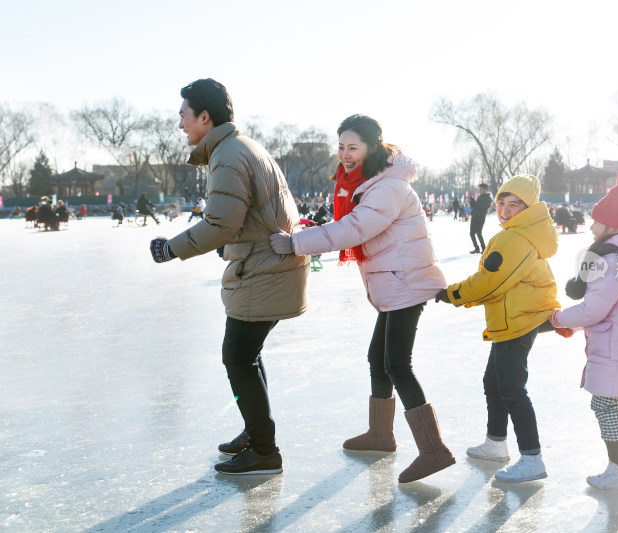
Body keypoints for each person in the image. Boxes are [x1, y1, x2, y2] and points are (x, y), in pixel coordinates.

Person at [270, 114, 455, 484]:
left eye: (353, 147)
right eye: (340, 147)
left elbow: (355, 228)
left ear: (373, 147)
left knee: (397, 363)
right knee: (378, 358)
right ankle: (380, 434)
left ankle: (434, 450)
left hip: (407, 282)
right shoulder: (369, 183)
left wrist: (297, 244)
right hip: (394, 282)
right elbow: (350, 224)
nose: (345, 155)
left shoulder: (389, 188)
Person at [149, 78, 309, 475]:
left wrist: (171, 248)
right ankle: (257, 434)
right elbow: (249, 217)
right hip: (265, 264)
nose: (180, 124)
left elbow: (221, 221)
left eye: (184, 115)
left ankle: (265, 451)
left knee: (237, 357)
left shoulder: (227, 154)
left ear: (205, 116)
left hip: (262, 269)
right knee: (245, 356)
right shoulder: (241, 147)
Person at [435, 174, 561, 483]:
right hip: (513, 318)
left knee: (512, 389)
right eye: (501, 203)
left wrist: (452, 294)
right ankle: (495, 443)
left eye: (513, 204)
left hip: (517, 321)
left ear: (527, 207)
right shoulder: (520, 232)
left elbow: (491, 281)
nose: (504, 210)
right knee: (494, 382)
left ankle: (532, 457)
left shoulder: (515, 238)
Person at [551, 173, 618, 491]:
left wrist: (558, 318)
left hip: (617, 344)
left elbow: (593, 309)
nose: (590, 226)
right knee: (616, 400)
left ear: (611, 225)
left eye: (596, 220)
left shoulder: (610, 259)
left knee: (604, 403)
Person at [469, 183, 493, 253]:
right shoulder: (479, 197)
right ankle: (477, 248)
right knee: (472, 233)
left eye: (481, 189)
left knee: (479, 232)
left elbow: (483, 206)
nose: (480, 190)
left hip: (480, 217)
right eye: (479, 189)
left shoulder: (488, 198)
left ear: (485, 189)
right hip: (474, 216)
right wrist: (472, 201)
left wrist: (476, 204)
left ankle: (483, 248)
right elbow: (475, 206)